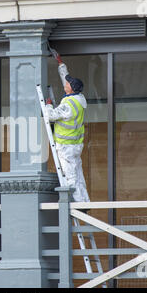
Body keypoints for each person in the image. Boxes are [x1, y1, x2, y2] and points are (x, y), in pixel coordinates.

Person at [44, 72, 90, 203]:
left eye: (68, 83)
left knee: (70, 176)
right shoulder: (79, 99)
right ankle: (84, 200)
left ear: (72, 88)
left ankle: (77, 203)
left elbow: (50, 116)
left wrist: (48, 105)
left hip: (65, 146)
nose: (66, 83)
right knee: (78, 174)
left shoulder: (69, 104)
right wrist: (60, 65)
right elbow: (66, 76)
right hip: (75, 145)